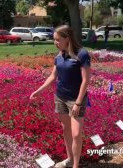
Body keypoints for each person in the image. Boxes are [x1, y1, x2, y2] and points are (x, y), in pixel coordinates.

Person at [30, 25, 91, 168]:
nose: (55, 43)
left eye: (58, 40)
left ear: (67, 38)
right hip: (60, 98)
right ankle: (69, 160)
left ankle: (76, 165)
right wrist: (38, 91)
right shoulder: (59, 56)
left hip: (76, 100)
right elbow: (52, 77)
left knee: (76, 134)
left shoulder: (81, 54)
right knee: (66, 130)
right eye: (54, 40)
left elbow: (85, 80)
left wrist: (78, 103)